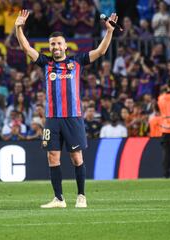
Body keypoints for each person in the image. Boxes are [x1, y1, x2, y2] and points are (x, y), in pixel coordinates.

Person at [15, 9, 118, 208]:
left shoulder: (76, 62)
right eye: (52, 44)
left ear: (65, 46)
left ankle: (81, 196)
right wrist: (18, 28)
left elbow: (101, 52)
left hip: (73, 117)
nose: (55, 46)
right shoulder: (45, 63)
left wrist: (109, 32)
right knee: (52, 157)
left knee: (76, 157)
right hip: (52, 118)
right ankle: (59, 198)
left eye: (59, 43)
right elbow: (26, 48)